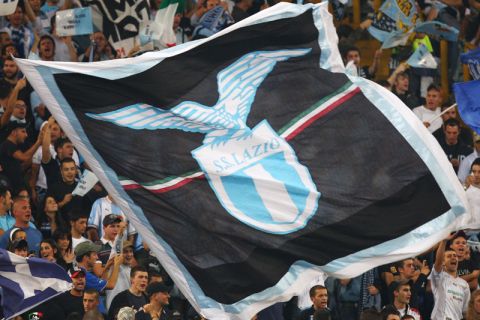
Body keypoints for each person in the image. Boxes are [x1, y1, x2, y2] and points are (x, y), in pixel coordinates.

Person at [430, 233, 470, 319]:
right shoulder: (439, 277)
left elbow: (466, 311)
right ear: (443, 262)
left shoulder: (464, 284)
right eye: (449, 256)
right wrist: (444, 241)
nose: (453, 258)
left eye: (455, 256)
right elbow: (438, 262)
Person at [0, 121, 43, 194]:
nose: (26, 135)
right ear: (14, 132)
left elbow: (20, 167)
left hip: (15, 186)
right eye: (23, 131)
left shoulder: (13, 146)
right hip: (9, 187)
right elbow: (24, 157)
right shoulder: (7, 145)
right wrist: (38, 142)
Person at [106, 240, 136, 309]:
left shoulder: (131, 271)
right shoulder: (113, 266)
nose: (129, 254)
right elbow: (115, 249)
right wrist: (120, 232)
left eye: (131, 251)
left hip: (127, 309)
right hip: (114, 309)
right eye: (125, 252)